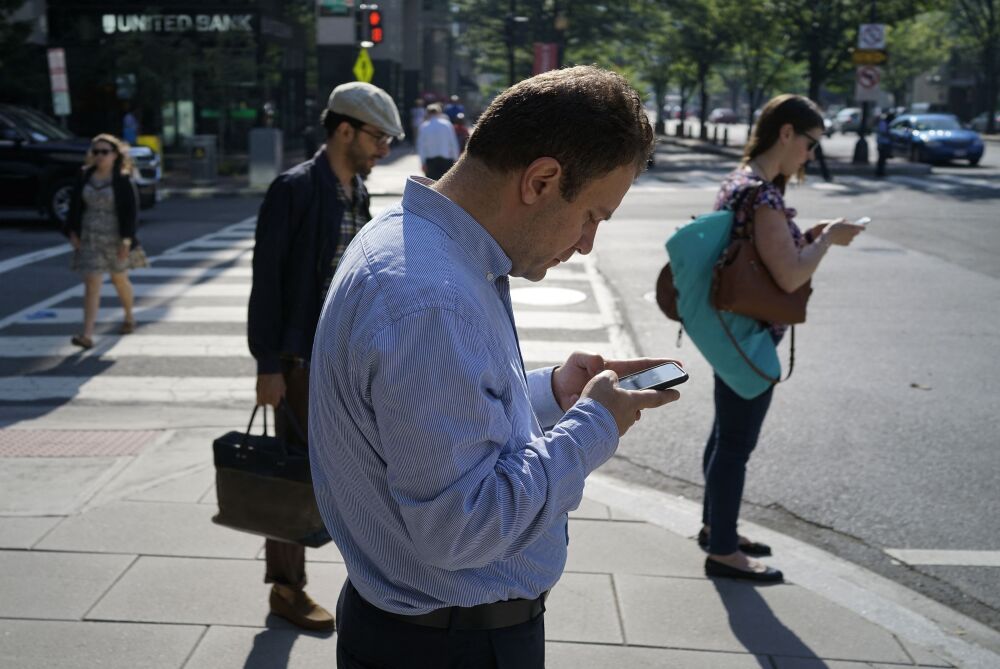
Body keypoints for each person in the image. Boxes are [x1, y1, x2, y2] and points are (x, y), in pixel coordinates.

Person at [310, 65, 680, 668]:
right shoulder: (431, 299)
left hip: (424, 631)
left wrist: (552, 393)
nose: (587, 243)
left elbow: (436, 430)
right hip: (452, 645)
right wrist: (593, 426)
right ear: (541, 179)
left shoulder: (412, 240)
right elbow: (462, 527)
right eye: (593, 215)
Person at [247, 81, 403, 632]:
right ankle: (287, 590)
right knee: (292, 473)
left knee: (349, 467)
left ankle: (363, 575)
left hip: (345, 355)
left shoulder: (355, 189)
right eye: (379, 136)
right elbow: (266, 282)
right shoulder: (294, 189)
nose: (384, 148)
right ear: (344, 129)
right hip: (298, 359)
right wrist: (268, 365)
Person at [699, 94, 864, 582]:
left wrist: (809, 236)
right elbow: (790, 277)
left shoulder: (739, 183)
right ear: (787, 133)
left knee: (724, 434)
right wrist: (827, 240)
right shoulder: (763, 196)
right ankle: (724, 551)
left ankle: (716, 528)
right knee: (735, 444)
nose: (811, 155)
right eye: (810, 143)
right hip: (751, 336)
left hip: (730, 328)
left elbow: (762, 254)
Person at [64, 133, 147, 350]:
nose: (100, 156)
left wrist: (127, 241)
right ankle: (87, 334)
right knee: (92, 283)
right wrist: (72, 232)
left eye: (104, 152)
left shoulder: (122, 179)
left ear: (115, 155)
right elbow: (75, 207)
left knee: (120, 280)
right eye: (96, 151)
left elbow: (131, 212)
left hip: (116, 237)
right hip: (89, 236)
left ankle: (129, 316)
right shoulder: (84, 175)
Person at [417, 102, 460, 180]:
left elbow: (421, 146)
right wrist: (455, 158)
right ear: (439, 112)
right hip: (446, 159)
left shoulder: (424, 126)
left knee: (432, 186)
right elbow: (453, 142)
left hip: (431, 160)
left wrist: (422, 162)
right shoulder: (447, 125)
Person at [875, 111, 895, 177]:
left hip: (885, 143)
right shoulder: (883, 123)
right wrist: (889, 134)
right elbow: (883, 132)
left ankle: (881, 170)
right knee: (881, 158)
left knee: (883, 158)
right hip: (882, 143)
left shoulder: (886, 123)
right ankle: (879, 171)